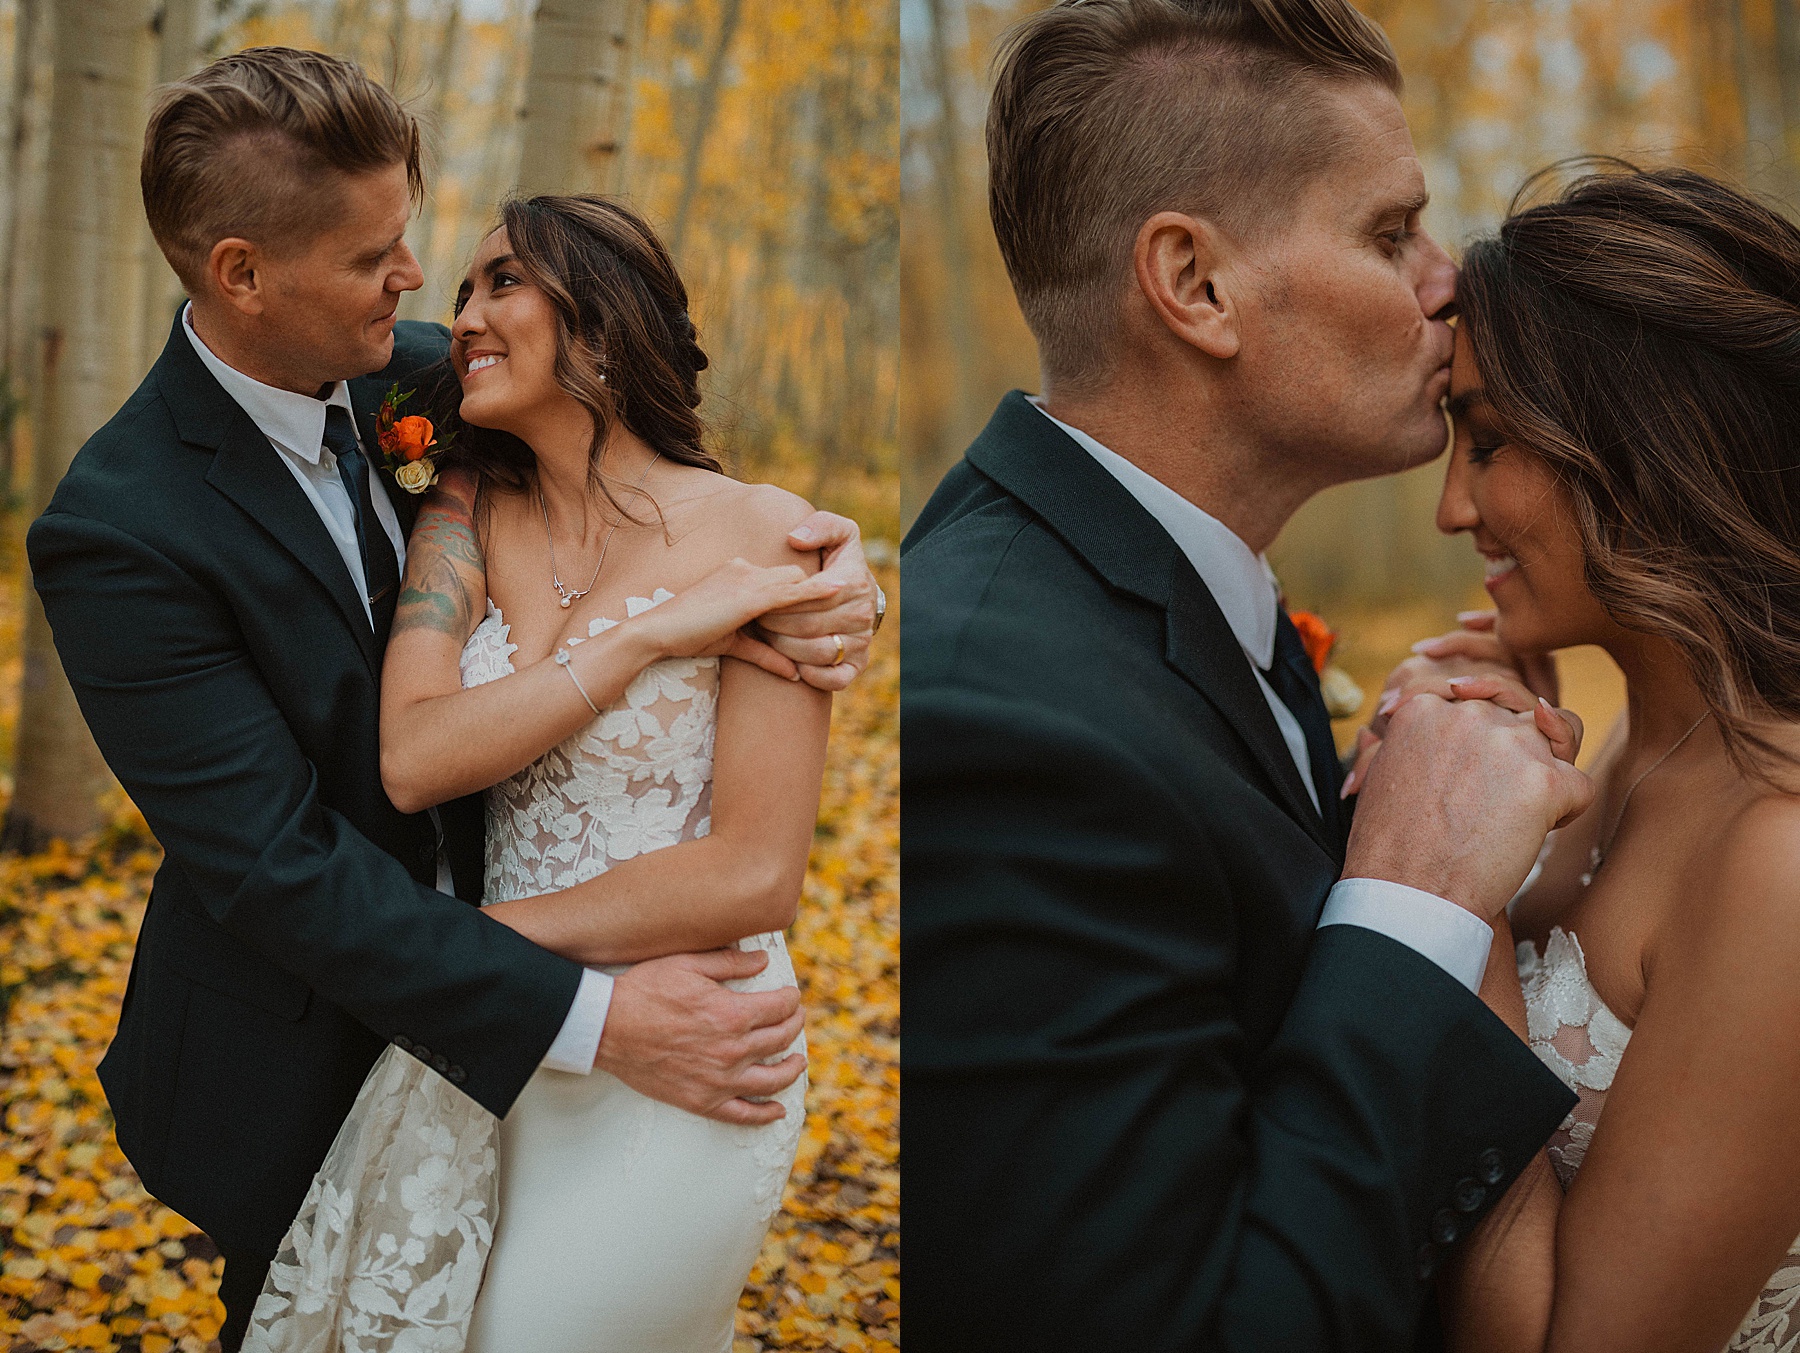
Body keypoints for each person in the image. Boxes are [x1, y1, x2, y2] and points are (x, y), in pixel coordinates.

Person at [25, 47, 881, 1352]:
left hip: (591, 1002)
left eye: (413, 240)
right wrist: (599, 1017)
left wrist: (834, 567)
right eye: (376, 256)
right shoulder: (119, 528)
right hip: (312, 1046)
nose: (417, 285)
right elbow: (281, 870)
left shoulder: (429, 381)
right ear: (240, 273)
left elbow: (649, 486)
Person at [902, 1, 1592, 1348]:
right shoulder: (995, 720)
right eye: (1388, 233)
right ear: (1195, 283)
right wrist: (1416, 896)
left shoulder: (1170, 596)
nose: (1447, 280)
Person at [244, 193, 837, 1352]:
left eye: (501, 282)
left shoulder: (769, 538)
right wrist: (649, 639)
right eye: (462, 292)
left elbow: (755, 876)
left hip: (696, 1053)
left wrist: (472, 943)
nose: (463, 316)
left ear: (605, 327)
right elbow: (413, 759)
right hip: (498, 1044)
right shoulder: (461, 513)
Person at [1360, 164, 1800, 1353]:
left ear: (1647, 443)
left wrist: (1459, 899)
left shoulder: (1779, 855)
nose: (1455, 509)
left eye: (1491, 439)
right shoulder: (1636, 753)